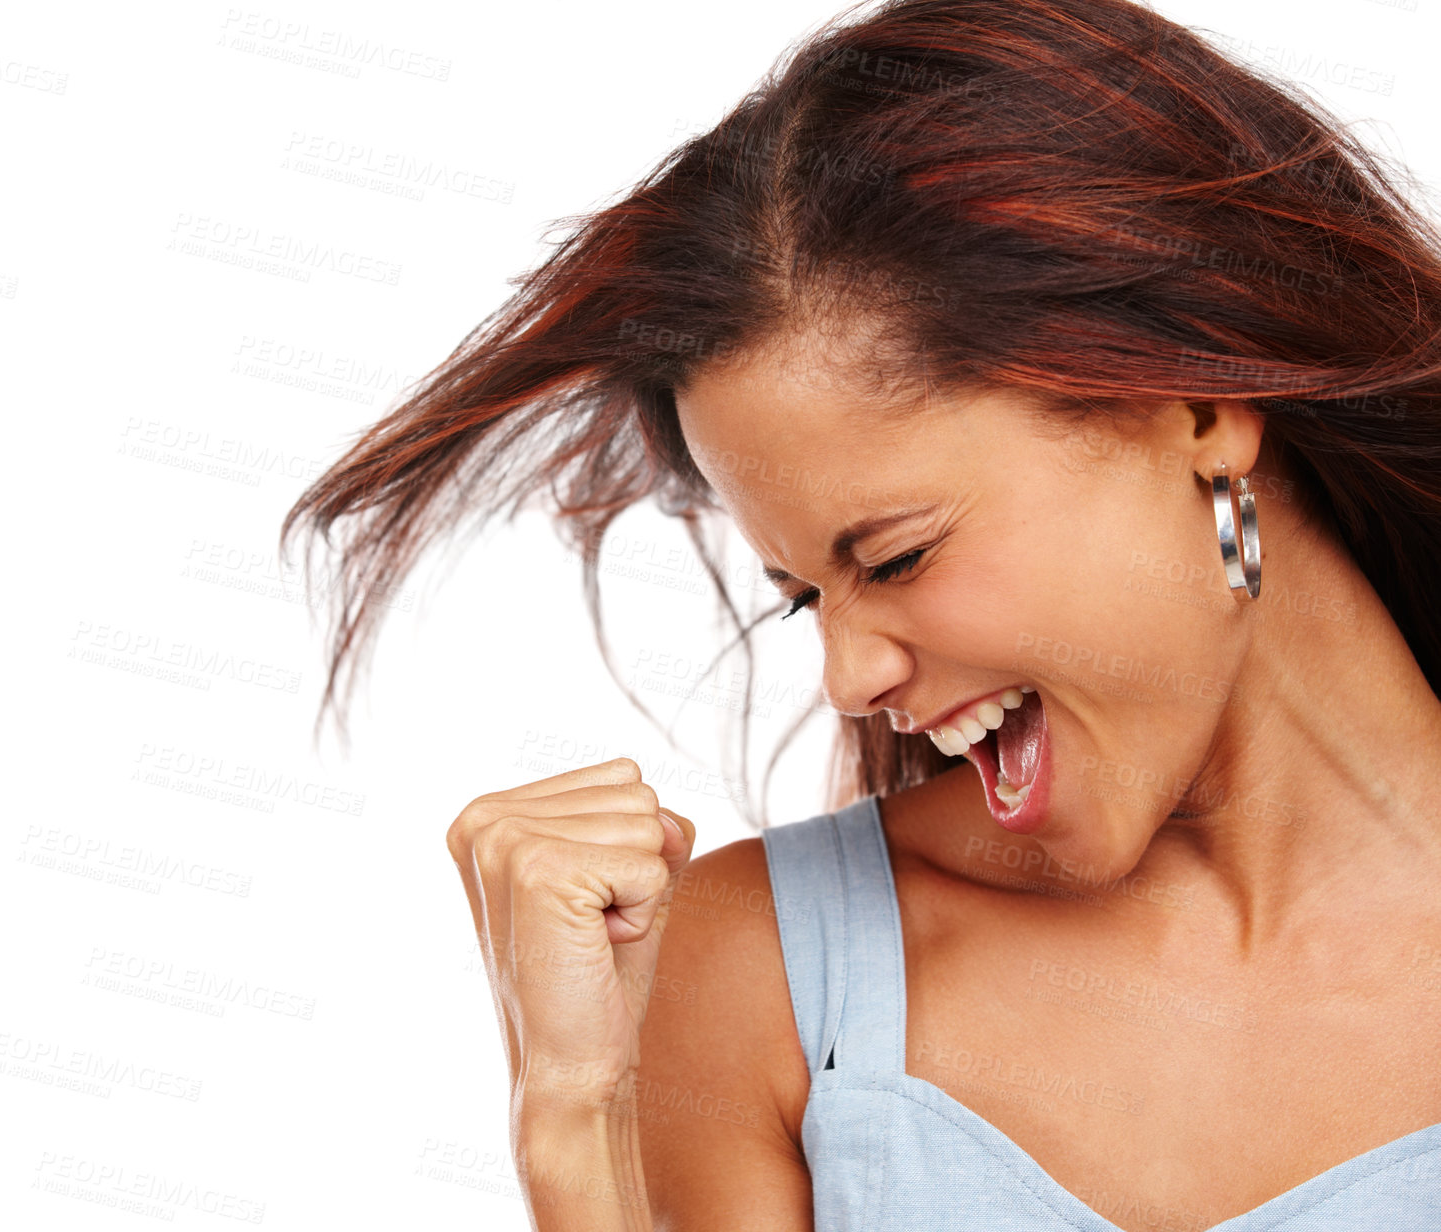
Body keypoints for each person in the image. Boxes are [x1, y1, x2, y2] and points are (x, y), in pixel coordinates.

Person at [280, 0, 1441, 1227]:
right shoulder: (766, 977)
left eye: (894, 555)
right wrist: (575, 1118)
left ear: (1196, 408)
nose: (846, 676)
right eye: (800, 599)